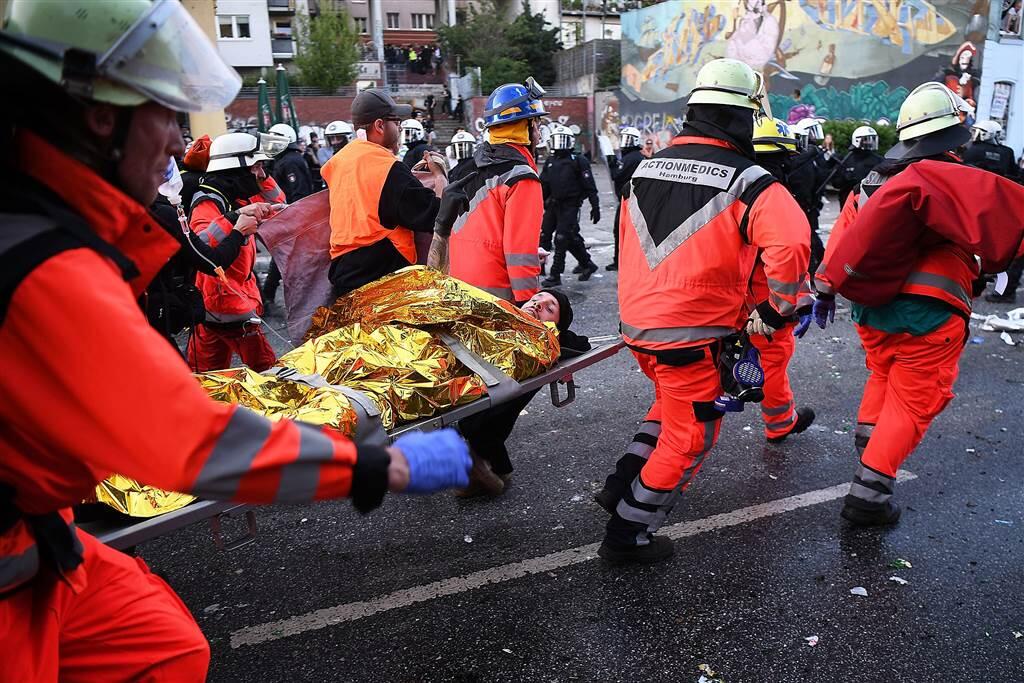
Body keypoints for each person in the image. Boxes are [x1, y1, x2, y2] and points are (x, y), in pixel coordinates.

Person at [0, 2, 472, 680]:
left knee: (165, 644)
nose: (176, 143)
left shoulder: (38, 221)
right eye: (166, 114)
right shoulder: (48, 265)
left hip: (33, 536)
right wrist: (375, 466)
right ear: (101, 116)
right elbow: (189, 438)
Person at [594, 59, 810, 564]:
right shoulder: (749, 179)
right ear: (744, 117)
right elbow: (794, 242)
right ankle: (629, 533)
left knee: (670, 408)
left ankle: (620, 483)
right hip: (693, 333)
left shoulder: (642, 168)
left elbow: (626, 246)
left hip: (640, 327)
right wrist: (777, 311)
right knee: (693, 432)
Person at [814, 82, 1024, 525]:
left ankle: (869, 449)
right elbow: (992, 232)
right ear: (951, 134)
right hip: (930, 311)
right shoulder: (951, 179)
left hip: (871, 308)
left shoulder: (871, 182)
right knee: (914, 400)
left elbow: (844, 243)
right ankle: (868, 497)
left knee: (883, 375)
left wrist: (826, 288)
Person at [456, 289, 591, 496]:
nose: (538, 305)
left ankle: (489, 467)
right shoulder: (500, 315)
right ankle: (492, 468)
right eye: (536, 299)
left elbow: (578, 342)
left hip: (487, 392)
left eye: (549, 308)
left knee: (487, 421)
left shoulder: (543, 344)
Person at [322, 89, 447, 297]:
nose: (399, 128)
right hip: (381, 282)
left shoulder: (340, 161)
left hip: (344, 277)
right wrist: (440, 176)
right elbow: (437, 216)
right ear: (380, 125)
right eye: (396, 122)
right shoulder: (388, 169)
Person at [186, 132, 284, 372]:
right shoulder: (209, 202)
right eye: (257, 167)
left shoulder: (238, 193)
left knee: (208, 378)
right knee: (268, 374)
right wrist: (234, 221)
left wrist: (263, 178)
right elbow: (201, 245)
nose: (261, 173)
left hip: (227, 302)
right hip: (224, 304)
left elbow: (279, 200)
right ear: (236, 168)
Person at [447, 78, 547, 303]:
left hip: (459, 291)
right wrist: (529, 304)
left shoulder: (469, 167)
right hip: (498, 299)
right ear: (525, 127)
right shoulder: (522, 178)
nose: (539, 132)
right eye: (537, 124)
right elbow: (519, 254)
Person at [750, 116, 818, 441]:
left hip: (730, 296)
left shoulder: (735, 188)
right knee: (773, 360)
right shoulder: (776, 197)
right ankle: (779, 424)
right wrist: (795, 301)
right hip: (765, 298)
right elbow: (788, 257)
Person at [539, 123, 600, 286]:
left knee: (561, 238)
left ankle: (556, 274)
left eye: (563, 140)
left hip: (571, 205)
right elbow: (543, 184)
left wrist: (595, 206)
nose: (560, 144)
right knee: (545, 235)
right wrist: (538, 204)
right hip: (553, 204)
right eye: (558, 140)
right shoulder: (550, 161)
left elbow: (590, 185)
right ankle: (586, 263)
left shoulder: (578, 160)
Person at [788, 117, 829, 277]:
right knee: (809, 239)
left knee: (811, 237)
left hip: (811, 205)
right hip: (800, 205)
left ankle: (818, 268)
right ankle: (814, 270)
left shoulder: (813, 156)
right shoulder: (799, 159)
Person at [607, 125, 645, 271]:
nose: (625, 142)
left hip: (629, 200)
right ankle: (620, 261)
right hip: (632, 198)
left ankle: (620, 261)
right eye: (624, 139)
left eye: (628, 139)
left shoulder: (631, 157)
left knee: (620, 230)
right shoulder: (635, 156)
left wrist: (612, 165)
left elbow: (617, 175)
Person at [833, 125, 883, 208]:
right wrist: (845, 178)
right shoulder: (846, 159)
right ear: (857, 140)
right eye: (866, 140)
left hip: (870, 203)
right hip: (849, 204)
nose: (869, 142)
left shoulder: (879, 160)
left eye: (872, 139)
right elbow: (836, 183)